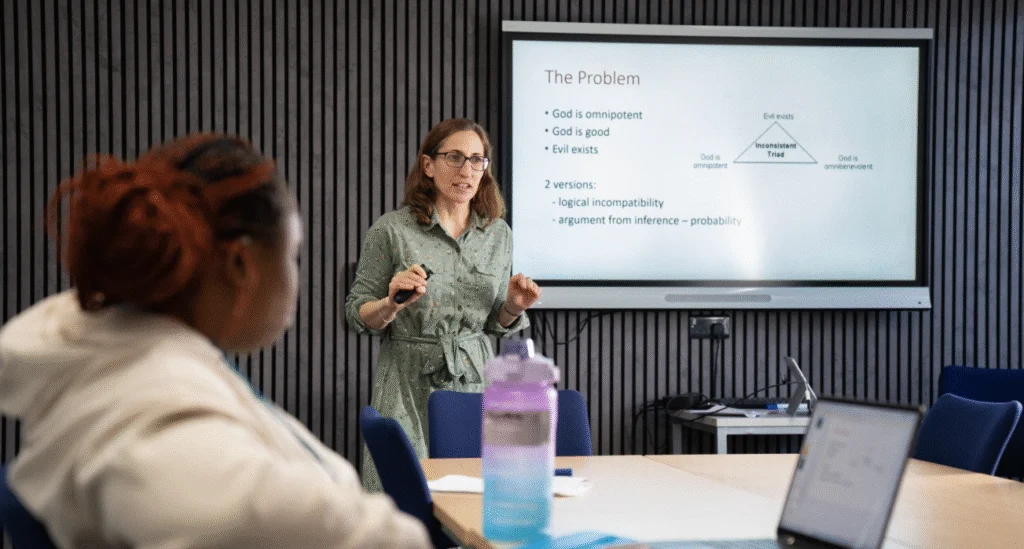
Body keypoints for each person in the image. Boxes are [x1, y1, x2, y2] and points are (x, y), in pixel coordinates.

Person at [0, 134, 430, 549]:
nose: (297, 280)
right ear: (241, 264)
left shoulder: (114, 359)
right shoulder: (162, 428)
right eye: (292, 255)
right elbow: (252, 517)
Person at [345, 118, 542, 490]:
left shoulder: (498, 234)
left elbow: (494, 324)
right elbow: (356, 313)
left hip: (476, 383)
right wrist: (389, 304)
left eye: (476, 160)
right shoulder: (392, 230)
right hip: (406, 381)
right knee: (404, 496)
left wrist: (514, 306)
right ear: (428, 165)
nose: (466, 170)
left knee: (476, 496)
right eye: (454, 157)